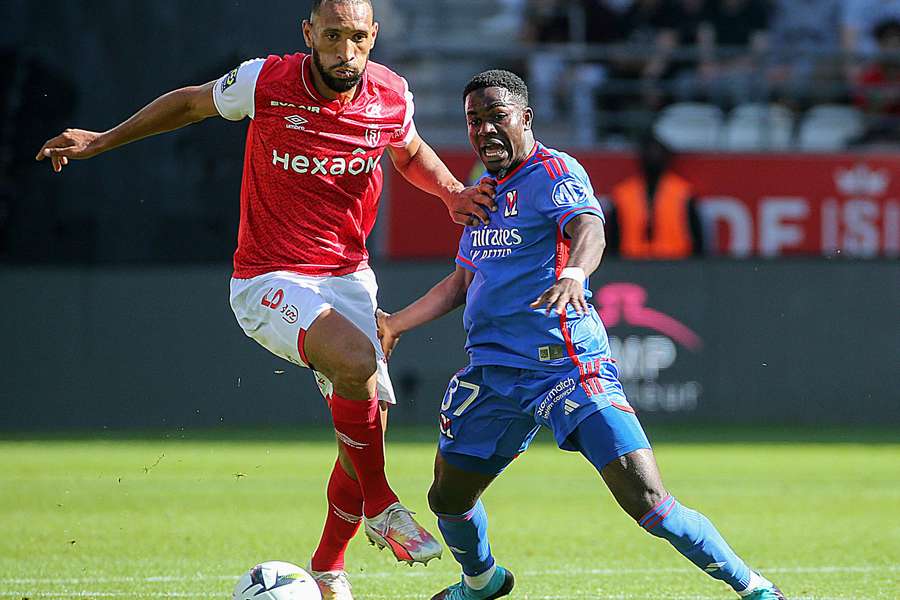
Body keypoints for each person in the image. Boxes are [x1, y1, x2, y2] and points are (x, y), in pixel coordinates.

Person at [34, 1, 497, 599]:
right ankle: (383, 505)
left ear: (373, 36)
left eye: (357, 37)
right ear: (309, 34)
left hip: (349, 278)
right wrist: (104, 139)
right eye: (332, 36)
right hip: (267, 278)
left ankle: (329, 566)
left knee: (368, 425)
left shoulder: (391, 94)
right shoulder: (267, 80)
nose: (345, 51)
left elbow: (406, 152)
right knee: (357, 364)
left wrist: (452, 193)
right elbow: (192, 102)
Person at [376, 69, 786, 600]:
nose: (485, 130)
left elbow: (589, 227)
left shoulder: (554, 170)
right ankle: (481, 582)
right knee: (447, 499)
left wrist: (574, 274)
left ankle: (756, 589)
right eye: (474, 120)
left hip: (567, 367)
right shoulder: (483, 195)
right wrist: (395, 323)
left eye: (496, 116)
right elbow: (461, 283)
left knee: (649, 503)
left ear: (525, 117)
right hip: (494, 373)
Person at [606, 132, 704, 259]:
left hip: (676, 265)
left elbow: (698, 239)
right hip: (631, 264)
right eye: (649, 151)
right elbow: (612, 238)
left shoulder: (683, 193)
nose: (653, 156)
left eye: (658, 152)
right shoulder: (622, 194)